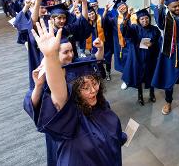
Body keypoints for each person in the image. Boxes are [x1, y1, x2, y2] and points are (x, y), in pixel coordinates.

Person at [28, 18, 127, 166]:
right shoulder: (69, 113)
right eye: (85, 88)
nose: (93, 90)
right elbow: (59, 92)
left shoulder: (100, 102)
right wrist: (50, 56)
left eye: (95, 83)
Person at [120, 7, 161, 105]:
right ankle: (140, 95)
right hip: (138, 56)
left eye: (146, 18)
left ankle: (152, 94)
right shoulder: (134, 28)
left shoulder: (154, 29)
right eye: (142, 19)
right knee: (139, 77)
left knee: (151, 75)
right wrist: (127, 17)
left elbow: (157, 39)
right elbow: (124, 30)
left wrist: (153, 43)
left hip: (150, 57)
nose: (145, 20)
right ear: (138, 20)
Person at [103, 0, 137, 90]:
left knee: (132, 61)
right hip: (121, 45)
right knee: (124, 62)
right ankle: (126, 80)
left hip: (132, 43)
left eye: (123, 6)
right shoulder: (115, 19)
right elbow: (104, 23)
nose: (122, 8)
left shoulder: (134, 16)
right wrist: (105, 11)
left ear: (126, 6)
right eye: (120, 7)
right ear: (118, 10)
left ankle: (134, 79)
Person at [87, 0, 114, 81]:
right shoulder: (88, 16)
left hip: (105, 39)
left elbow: (109, 22)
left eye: (95, 4)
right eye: (92, 5)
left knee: (107, 58)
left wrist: (105, 12)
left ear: (97, 4)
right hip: (94, 40)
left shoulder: (103, 11)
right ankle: (102, 73)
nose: (93, 6)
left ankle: (108, 72)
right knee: (97, 58)